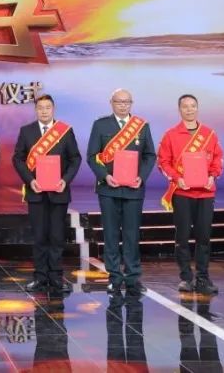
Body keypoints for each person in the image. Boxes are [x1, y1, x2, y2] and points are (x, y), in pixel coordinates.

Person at [86, 88, 156, 295]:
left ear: (131, 104)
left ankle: (133, 277)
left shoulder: (141, 126)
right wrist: (105, 176)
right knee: (111, 234)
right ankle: (114, 277)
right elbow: (92, 156)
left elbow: (150, 155)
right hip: (109, 189)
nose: (123, 105)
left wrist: (141, 177)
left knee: (132, 234)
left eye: (127, 102)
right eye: (119, 102)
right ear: (112, 103)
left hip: (134, 189)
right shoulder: (101, 125)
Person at [11, 94, 81, 293]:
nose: (44, 111)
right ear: (36, 110)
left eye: (47, 107)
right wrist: (30, 180)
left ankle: (56, 277)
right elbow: (18, 159)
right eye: (40, 108)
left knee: (57, 236)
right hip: (36, 192)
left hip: (59, 192)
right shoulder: (27, 131)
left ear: (53, 109)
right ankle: (40, 277)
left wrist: (65, 180)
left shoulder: (64, 131)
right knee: (39, 236)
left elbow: (75, 159)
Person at [157, 94, 224, 294]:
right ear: (180, 110)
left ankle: (203, 278)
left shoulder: (209, 134)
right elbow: (163, 162)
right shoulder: (170, 135)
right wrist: (177, 178)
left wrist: (213, 176)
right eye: (185, 106)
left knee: (204, 238)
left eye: (193, 106)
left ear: (197, 108)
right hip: (182, 192)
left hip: (205, 193)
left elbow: (218, 159)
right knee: (183, 237)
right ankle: (186, 278)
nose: (189, 109)